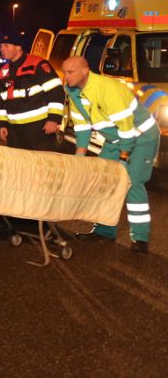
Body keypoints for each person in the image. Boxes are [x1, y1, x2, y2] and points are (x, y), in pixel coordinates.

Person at [63, 56, 156, 253]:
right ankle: (104, 232)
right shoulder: (72, 90)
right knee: (105, 183)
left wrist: (123, 159)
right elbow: (81, 126)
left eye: (70, 72)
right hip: (115, 141)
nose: (66, 76)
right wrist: (79, 157)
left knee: (132, 182)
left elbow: (126, 128)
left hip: (140, 138)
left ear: (85, 71)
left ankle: (140, 238)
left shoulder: (108, 89)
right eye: (65, 72)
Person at [0, 33, 64, 151]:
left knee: (41, 164)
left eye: (6, 45)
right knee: (18, 164)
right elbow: (3, 101)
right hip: (14, 130)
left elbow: (56, 92)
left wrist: (53, 119)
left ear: (18, 47)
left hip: (38, 127)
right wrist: (2, 124)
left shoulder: (38, 64)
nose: (2, 49)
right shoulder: (3, 72)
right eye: (1, 46)